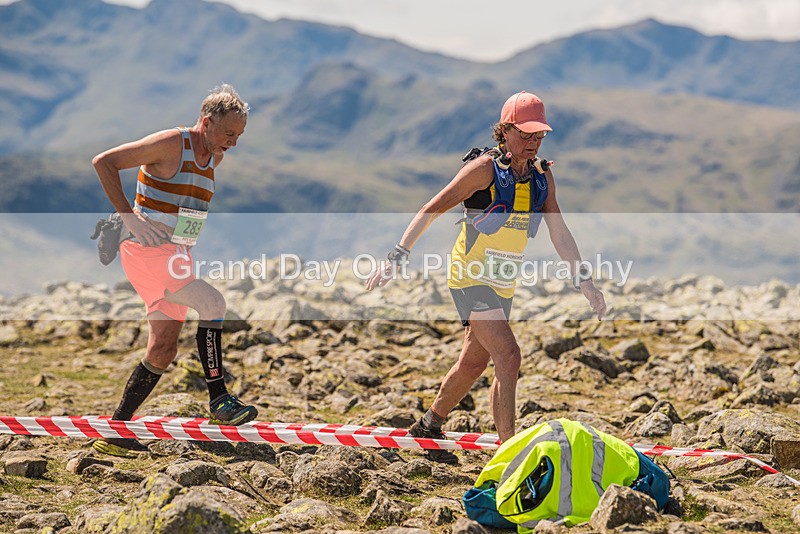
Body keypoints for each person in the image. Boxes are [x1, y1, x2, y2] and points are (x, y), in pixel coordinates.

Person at [365, 91, 607, 461]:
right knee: (509, 356)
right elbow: (432, 208)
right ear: (505, 131)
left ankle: (429, 424)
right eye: (525, 134)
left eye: (539, 135)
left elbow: (559, 231)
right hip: (470, 275)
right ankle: (509, 451)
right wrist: (396, 256)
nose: (533, 142)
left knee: (474, 362)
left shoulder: (542, 177)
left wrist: (584, 281)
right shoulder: (484, 170)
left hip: (502, 279)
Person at [91, 84, 258, 457]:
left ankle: (118, 427)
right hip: (148, 250)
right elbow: (104, 162)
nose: (233, 142)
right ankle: (220, 401)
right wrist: (128, 217)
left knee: (163, 348)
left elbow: (189, 207)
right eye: (229, 133)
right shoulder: (170, 143)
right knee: (212, 303)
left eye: (239, 135)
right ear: (206, 122)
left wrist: (185, 245)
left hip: (175, 255)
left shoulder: (214, 157)